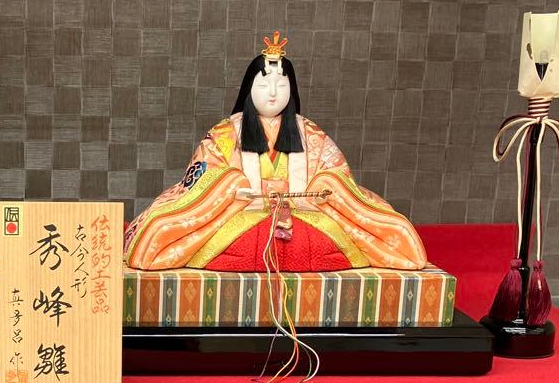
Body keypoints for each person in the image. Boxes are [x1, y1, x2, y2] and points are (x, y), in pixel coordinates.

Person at [125, 32, 427, 273]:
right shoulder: (224, 133)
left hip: (302, 214)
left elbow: (336, 174)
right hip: (240, 214)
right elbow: (200, 179)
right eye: (264, 85)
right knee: (245, 246)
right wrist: (231, 187)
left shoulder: (310, 133)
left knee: (315, 245)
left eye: (281, 85)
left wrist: (323, 188)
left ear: (292, 90)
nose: (272, 93)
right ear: (248, 88)